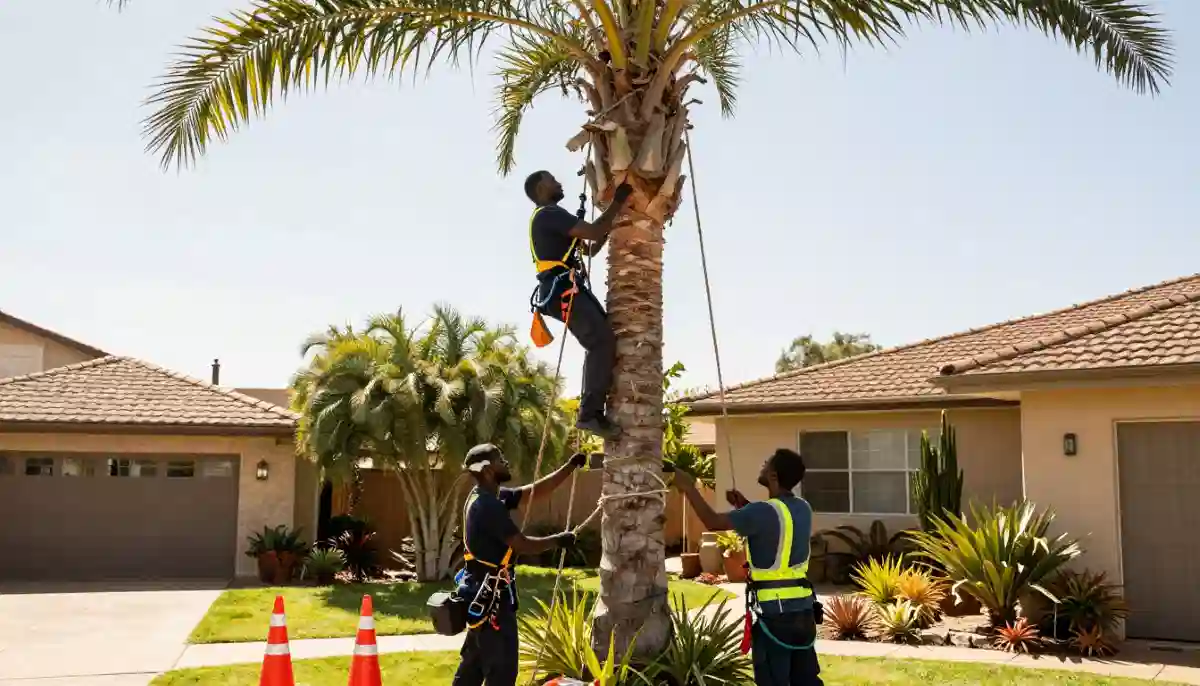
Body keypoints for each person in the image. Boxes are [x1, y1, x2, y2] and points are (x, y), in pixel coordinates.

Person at [671, 448, 823, 686]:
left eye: (767, 463)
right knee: (805, 681)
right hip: (803, 610)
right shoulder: (802, 507)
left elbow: (712, 522)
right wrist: (743, 504)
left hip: (775, 613)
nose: (762, 464)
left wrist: (689, 487)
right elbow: (776, 523)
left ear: (773, 476)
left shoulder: (760, 512)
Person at [452, 443, 587, 686]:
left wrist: (569, 468)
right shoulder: (488, 506)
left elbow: (534, 492)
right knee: (501, 671)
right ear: (487, 469)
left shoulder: (487, 497)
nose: (504, 462)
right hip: (492, 602)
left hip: (479, 596)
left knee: (473, 666)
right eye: (499, 459)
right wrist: (559, 540)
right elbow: (521, 544)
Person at [524, 170, 634, 440]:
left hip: (561, 288)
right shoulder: (549, 213)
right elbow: (595, 232)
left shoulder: (550, 217)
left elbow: (592, 247)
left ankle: (593, 410)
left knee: (602, 339)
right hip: (562, 288)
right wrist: (617, 203)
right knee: (600, 342)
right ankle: (589, 415)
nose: (559, 182)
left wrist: (608, 222)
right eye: (552, 179)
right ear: (540, 189)